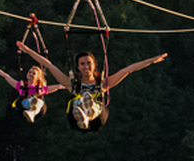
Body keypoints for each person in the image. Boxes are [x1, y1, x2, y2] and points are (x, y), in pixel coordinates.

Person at [17, 41, 167, 131]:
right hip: (75, 117)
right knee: (78, 102)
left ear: (94, 65)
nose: (86, 67)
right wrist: (28, 51)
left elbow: (128, 69)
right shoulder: (72, 84)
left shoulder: (102, 83)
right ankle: (82, 113)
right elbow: (48, 65)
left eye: (89, 63)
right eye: (82, 64)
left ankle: (88, 113)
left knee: (93, 103)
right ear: (78, 67)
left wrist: (151, 61)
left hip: (98, 118)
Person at [0, 57, 63, 123]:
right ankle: (30, 111)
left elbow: (58, 86)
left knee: (37, 101)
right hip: (25, 106)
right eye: (30, 72)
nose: (31, 74)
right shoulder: (20, 86)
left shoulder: (40, 89)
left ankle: (32, 112)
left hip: (38, 108)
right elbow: (5, 76)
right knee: (32, 100)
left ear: (37, 78)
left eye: (33, 73)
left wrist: (69, 84)